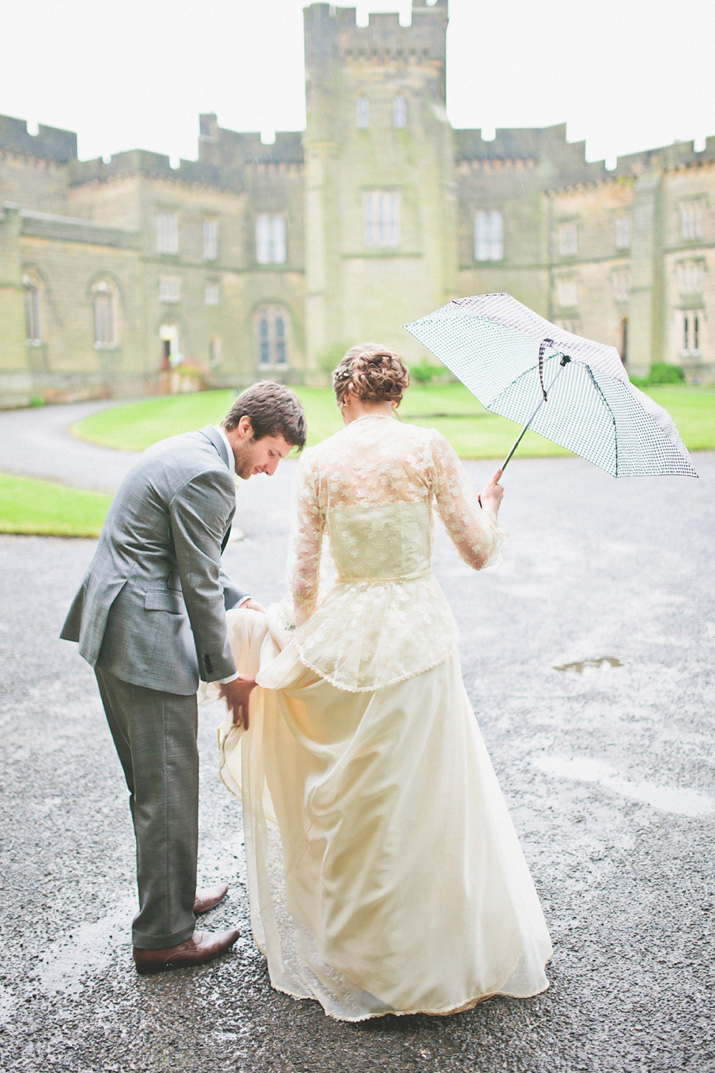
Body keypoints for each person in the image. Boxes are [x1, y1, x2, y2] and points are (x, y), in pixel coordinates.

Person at [216, 344, 552, 1020]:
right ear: (396, 394)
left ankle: (362, 949)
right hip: (420, 636)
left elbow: (304, 581)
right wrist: (487, 506)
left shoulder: (322, 461)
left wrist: (294, 633)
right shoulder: (428, 448)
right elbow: (477, 552)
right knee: (427, 795)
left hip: (348, 634)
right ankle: (435, 947)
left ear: (346, 397)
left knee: (362, 802)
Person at [60, 381, 307, 974]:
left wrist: (239, 597)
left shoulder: (184, 448)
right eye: (273, 453)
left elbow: (188, 560)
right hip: (145, 643)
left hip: (114, 628)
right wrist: (228, 676)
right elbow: (194, 582)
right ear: (245, 426)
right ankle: (163, 937)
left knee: (152, 785)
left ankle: (171, 898)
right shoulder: (210, 477)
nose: (272, 470)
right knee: (167, 788)